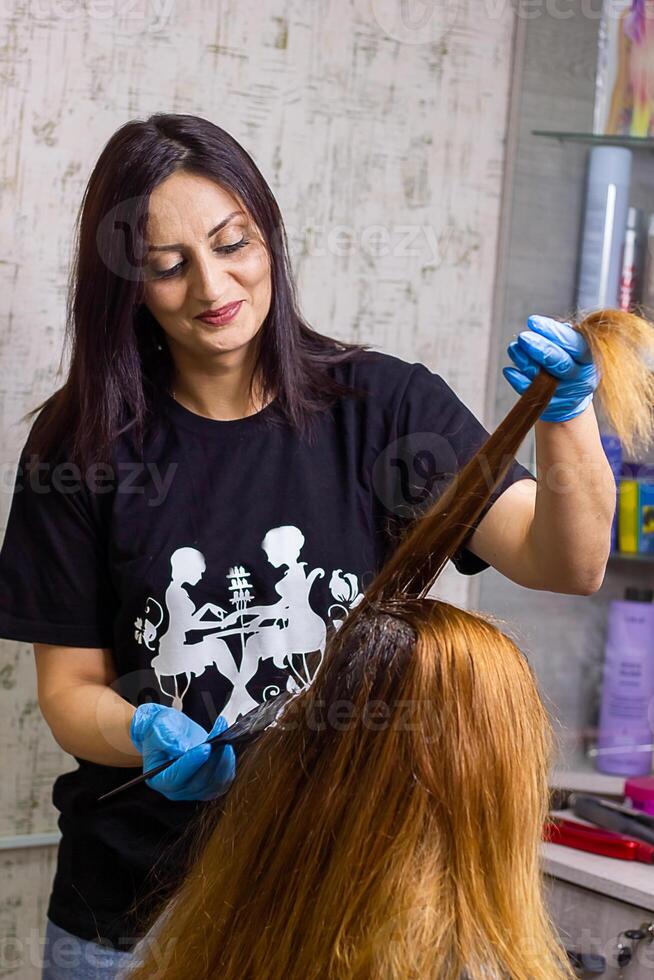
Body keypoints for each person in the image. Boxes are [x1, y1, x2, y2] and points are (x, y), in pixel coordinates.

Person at [0, 113, 615, 980]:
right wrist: (142, 733)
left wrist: (569, 419)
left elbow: (568, 562)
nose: (212, 284)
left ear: (269, 232)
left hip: (337, 909)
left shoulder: (383, 409)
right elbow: (69, 694)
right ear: (127, 285)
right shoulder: (83, 446)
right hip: (128, 917)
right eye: (168, 267)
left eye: (232, 243)